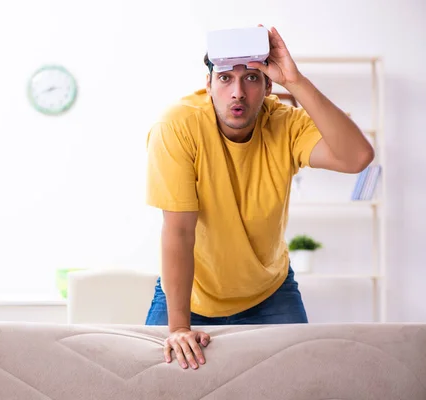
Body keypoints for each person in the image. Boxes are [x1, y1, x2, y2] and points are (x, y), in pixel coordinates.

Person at [144, 25, 375, 370]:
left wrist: (295, 81)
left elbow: (357, 157)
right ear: (207, 84)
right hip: (190, 294)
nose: (237, 92)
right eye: (224, 79)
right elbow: (179, 232)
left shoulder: (286, 123)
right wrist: (179, 327)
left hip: (269, 292)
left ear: (269, 86)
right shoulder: (178, 126)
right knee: (155, 383)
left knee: (302, 380)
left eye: (251, 78)